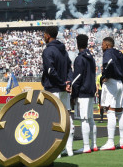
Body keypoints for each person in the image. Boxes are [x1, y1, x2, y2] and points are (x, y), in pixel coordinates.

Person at [41, 27, 73, 157]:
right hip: (64, 89)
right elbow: (70, 69)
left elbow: (50, 71)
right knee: (67, 117)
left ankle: (56, 151)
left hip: (53, 88)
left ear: (48, 35)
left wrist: (61, 83)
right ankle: (69, 149)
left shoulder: (48, 50)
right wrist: (68, 83)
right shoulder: (63, 50)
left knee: (53, 119)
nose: (43, 36)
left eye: (44, 34)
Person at [71, 33, 97, 153]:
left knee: (84, 119)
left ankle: (86, 146)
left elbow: (77, 79)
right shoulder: (91, 57)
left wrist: (74, 94)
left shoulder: (80, 58)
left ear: (77, 44)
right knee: (90, 119)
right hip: (91, 90)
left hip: (83, 92)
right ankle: (94, 144)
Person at [99, 36, 123, 151]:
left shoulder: (108, 52)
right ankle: (122, 141)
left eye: (103, 44)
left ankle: (110, 141)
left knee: (110, 111)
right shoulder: (118, 53)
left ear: (107, 45)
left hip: (112, 82)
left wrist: (105, 75)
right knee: (119, 112)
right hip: (119, 82)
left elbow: (108, 63)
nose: (101, 46)